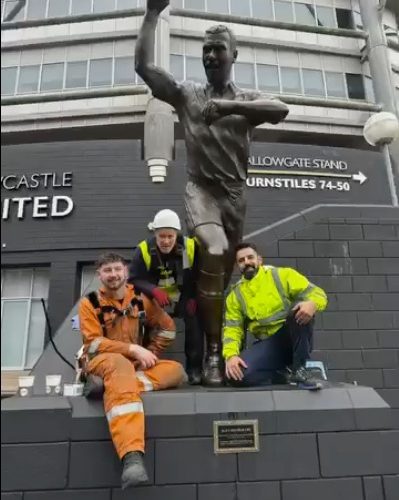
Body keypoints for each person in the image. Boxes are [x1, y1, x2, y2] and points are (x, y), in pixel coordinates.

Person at [135, 0, 289, 385]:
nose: (210, 56)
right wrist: (152, 15)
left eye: (217, 49)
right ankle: (215, 358)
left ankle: (211, 350)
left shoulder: (247, 101)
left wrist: (227, 106)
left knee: (218, 279)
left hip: (234, 196)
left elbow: (281, 108)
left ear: (233, 54)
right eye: (205, 50)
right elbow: (144, 68)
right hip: (200, 190)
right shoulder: (187, 95)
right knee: (217, 249)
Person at [78, 253, 185, 489]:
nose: (113, 275)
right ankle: (132, 457)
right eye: (107, 271)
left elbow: (168, 328)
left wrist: (151, 353)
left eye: (117, 269)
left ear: (126, 272)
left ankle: (112, 388)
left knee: (176, 371)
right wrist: (133, 349)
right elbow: (93, 343)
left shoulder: (140, 298)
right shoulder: (89, 303)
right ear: (99, 275)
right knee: (120, 365)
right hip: (101, 361)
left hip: (131, 367)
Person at [223, 243, 328, 390]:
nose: (246, 262)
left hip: (292, 339)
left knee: (300, 310)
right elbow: (232, 329)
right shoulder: (235, 296)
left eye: (250, 257)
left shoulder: (282, 275)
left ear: (259, 260)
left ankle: (301, 371)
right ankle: (282, 375)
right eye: (241, 260)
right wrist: (231, 356)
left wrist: (313, 304)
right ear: (237, 266)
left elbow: (317, 293)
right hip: (269, 347)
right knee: (235, 376)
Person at [129, 209, 204, 385]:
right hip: (153, 299)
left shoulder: (191, 247)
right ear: (155, 233)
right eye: (161, 236)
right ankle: (142, 365)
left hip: (184, 296)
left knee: (195, 323)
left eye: (170, 236)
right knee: (143, 325)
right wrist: (153, 290)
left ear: (176, 234)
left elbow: (200, 275)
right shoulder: (144, 249)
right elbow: (133, 279)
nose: (166, 241)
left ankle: (194, 369)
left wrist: (194, 297)